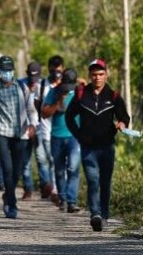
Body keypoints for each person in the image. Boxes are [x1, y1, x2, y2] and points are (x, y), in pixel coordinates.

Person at [65, 59, 130, 232]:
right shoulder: (81, 95)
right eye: (94, 75)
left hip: (107, 146)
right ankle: (95, 214)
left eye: (101, 74)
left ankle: (105, 215)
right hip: (88, 148)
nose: (97, 78)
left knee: (105, 182)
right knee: (93, 180)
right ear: (89, 76)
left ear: (106, 75)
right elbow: (69, 117)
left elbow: (124, 116)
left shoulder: (113, 96)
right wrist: (79, 135)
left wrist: (122, 124)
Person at [0, 55, 39, 219]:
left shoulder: (22, 87)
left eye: (10, 70)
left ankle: (8, 194)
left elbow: (31, 108)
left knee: (17, 170)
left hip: (20, 133)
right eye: (4, 71)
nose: (7, 73)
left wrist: (33, 124)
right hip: (0, 132)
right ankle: (12, 205)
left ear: (13, 71)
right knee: (7, 169)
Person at [42, 68, 81, 213]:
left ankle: (72, 201)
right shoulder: (54, 92)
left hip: (74, 137)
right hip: (56, 137)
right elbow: (44, 113)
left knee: (73, 167)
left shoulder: (80, 93)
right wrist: (57, 104)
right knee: (59, 170)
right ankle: (63, 199)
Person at [34, 55, 66, 203]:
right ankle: (48, 186)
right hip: (44, 129)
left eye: (58, 70)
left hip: (60, 130)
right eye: (53, 70)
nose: (56, 74)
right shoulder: (42, 85)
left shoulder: (67, 86)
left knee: (55, 161)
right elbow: (37, 105)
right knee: (42, 159)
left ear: (63, 69)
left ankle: (57, 191)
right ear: (48, 69)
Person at [19, 61, 43, 201]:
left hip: (41, 128)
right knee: (25, 161)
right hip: (24, 129)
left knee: (42, 159)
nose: (33, 82)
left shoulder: (43, 86)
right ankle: (28, 189)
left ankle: (46, 187)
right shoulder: (19, 85)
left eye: (36, 79)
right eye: (31, 78)